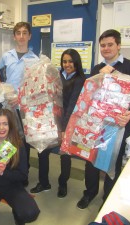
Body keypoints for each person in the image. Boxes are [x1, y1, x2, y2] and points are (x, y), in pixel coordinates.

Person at [77, 29, 130, 209]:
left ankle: (108, 198)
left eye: (110, 44)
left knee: (113, 163)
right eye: (103, 45)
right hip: (97, 126)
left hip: (119, 126)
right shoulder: (96, 69)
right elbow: (88, 95)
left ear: (119, 45)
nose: (106, 48)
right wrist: (100, 76)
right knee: (91, 161)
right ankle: (89, 193)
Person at [30, 49, 86, 198]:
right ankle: (43, 182)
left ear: (76, 62)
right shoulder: (57, 76)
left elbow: (72, 104)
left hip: (67, 122)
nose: (67, 64)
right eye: (64, 61)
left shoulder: (80, 79)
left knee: (65, 155)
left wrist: (65, 128)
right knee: (43, 151)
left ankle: (63, 184)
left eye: (70, 61)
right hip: (50, 121)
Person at [0, 22, 39, 183]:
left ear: (29, 36)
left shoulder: (35, 60)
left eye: (24, 33)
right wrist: (1, 87)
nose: (21, 36)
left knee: (23, 141)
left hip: (25, 106)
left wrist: (20, 98)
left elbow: (36, 85)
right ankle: (5, 169)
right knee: (6, 138)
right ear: (14, 36)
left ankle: (23, 172)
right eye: (18, 33)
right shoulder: (7, 56)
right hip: (7, 105)